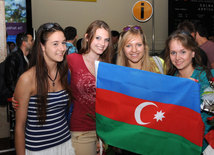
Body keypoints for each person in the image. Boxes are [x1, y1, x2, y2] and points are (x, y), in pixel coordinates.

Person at [14, 23, 75, 155]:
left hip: (65, 144)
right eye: (55, 44)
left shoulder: (65, 73)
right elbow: (19, 127)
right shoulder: (27, 79)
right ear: (42, 46)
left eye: (63, 43)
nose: (62, 48)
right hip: (38, 149)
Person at [66, 20, 113, 155]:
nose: (102, 43)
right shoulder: (72, 60)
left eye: (106, 40)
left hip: (104, 131)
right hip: (80, 129)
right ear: (87, 37)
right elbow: (53, 81)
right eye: (98, 38)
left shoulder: (108, 66)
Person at [163, 29, 214, 153]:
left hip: (206, 146)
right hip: (179, 145)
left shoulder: (209, 77)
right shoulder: (170, 82)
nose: (177, 57)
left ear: (193, 53)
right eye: (173, 52)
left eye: (183, 52)